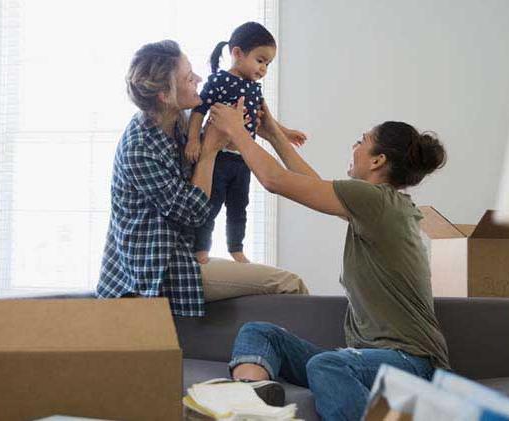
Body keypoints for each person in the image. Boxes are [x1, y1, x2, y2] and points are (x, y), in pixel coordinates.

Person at [208, 98, 450, 420]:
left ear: (377, 160)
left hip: (412, 364)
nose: (354, 146)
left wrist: (236, 131)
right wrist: (273, 135)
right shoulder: (377, 206)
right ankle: (249, 403)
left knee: (326, 364)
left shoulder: (376, 202)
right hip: (372, 360)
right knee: (260, 332)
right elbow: (313, 186)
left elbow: (276, 181)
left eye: (361, 141)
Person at [97, 40, 308, 317]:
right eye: (188, 77)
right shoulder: (140, 147)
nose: (198, 79)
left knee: (284, 283)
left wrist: (263, 132)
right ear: (163, 94)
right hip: (160, 270)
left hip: (183, 252)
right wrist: (209, 151)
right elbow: (196, 212)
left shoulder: (182, 123)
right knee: (290, 284)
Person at [185, 22, 307, 264]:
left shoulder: (254, 88)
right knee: (210, 205)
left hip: (243, 159)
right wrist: (192, 140)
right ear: (237, 53)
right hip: (218, 156)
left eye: (268, 64)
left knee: (239, 207)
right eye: (260, 60)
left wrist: (286, 133)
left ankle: (236, 248)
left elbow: (266, 122)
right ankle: (201, 249)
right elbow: (199, 110)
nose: (263, 68)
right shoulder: (219, 80)